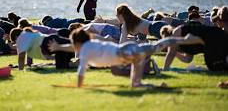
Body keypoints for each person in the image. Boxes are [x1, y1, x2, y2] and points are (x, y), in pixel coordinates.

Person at [48, 29, 189, 88]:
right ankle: (158, 87)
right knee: (136, 84)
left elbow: (81, 69)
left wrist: (79, 86)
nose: (73, 46)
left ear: (78, 43)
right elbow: (72, 48)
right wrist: (59, 48)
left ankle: (185, 40)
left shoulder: (85, 49)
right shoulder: (88, 46)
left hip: (126, 52)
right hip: (127, 54)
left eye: (74, 43)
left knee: (156, 47)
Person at [160, 23, 228, 71]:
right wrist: (175, 53)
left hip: (214, 35)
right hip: (211, 43)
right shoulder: (184, 45)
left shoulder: (176, 32)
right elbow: (187, 59)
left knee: (215, 67)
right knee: (217, 66)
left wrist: (165, 69)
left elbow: (171, 53)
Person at [10, 27, 75, 70]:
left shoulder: (21, 38)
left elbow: (21, 57)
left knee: (63, 66)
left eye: (14, 41)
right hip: (51, 40)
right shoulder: (29, 34)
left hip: (48, 43)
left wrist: (20, 70)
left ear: (16, 37)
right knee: (63, 66)